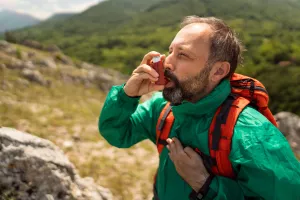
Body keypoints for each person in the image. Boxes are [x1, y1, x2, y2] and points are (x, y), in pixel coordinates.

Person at [98, 16, 300, 200]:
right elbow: (117, 133)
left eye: (183, 55)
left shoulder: (252, 135)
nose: (167, 63)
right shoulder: (163, 108)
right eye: (170, 52)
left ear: (218, 71)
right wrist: (127, 95)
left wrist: (205, 184)